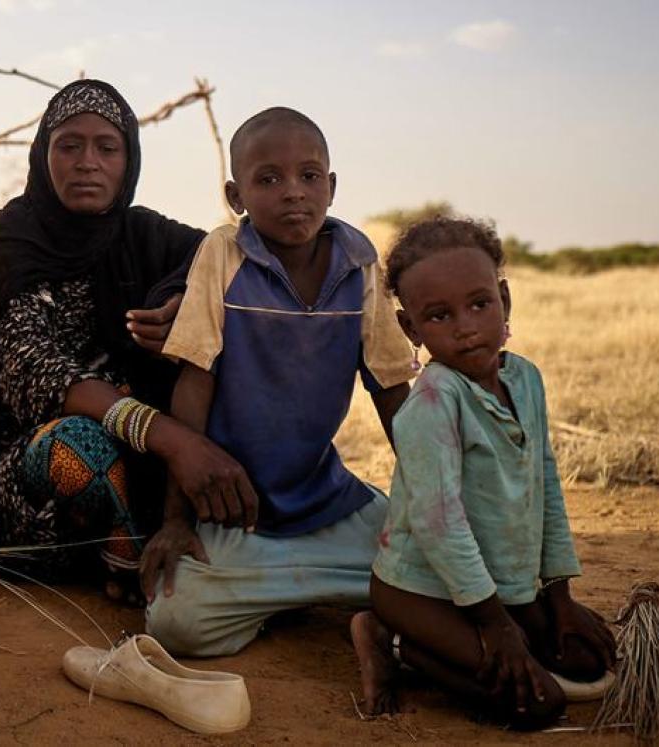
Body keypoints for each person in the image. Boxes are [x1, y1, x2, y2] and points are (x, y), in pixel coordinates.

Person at [0, 80, 256, 601]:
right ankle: (124, 566)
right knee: (78, 445)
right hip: (38, 488)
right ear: (43, 155)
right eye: (69, 145)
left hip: (148, 468)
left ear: (128, 160)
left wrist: (184, 305)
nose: (86, 162)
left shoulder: (149, 236)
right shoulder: (12, 239)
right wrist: (174, 437)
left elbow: (230, 259)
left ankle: (171, 536)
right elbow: (37, 371)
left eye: (106, 147)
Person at [142, 107, 416, 656]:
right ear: (236, 195)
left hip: (327, 500)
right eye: (268, 179)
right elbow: (194, 383)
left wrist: (429, 503)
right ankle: (334, 591)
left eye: (309, 176)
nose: (293, 192)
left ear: (332, 187)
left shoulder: (359, 262)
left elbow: (391, 392)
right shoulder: (223, 253)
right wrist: (175, 520)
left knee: (438, 565)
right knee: (175, 624)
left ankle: (279, 592)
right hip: (236, 511)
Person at [351, 217, 615, 727]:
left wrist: (559, 596)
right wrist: (496, 626)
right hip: (419, 590)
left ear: (505, 300)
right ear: (411, 329)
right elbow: (439, 525)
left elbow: (545, 482)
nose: (465, 326)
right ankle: (393, 641)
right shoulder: (431, 404)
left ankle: (469, 636)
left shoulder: (525, 379)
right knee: (537, 703)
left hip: (498, 584)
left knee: (585, 657)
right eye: (438, 316)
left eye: (479, 305)